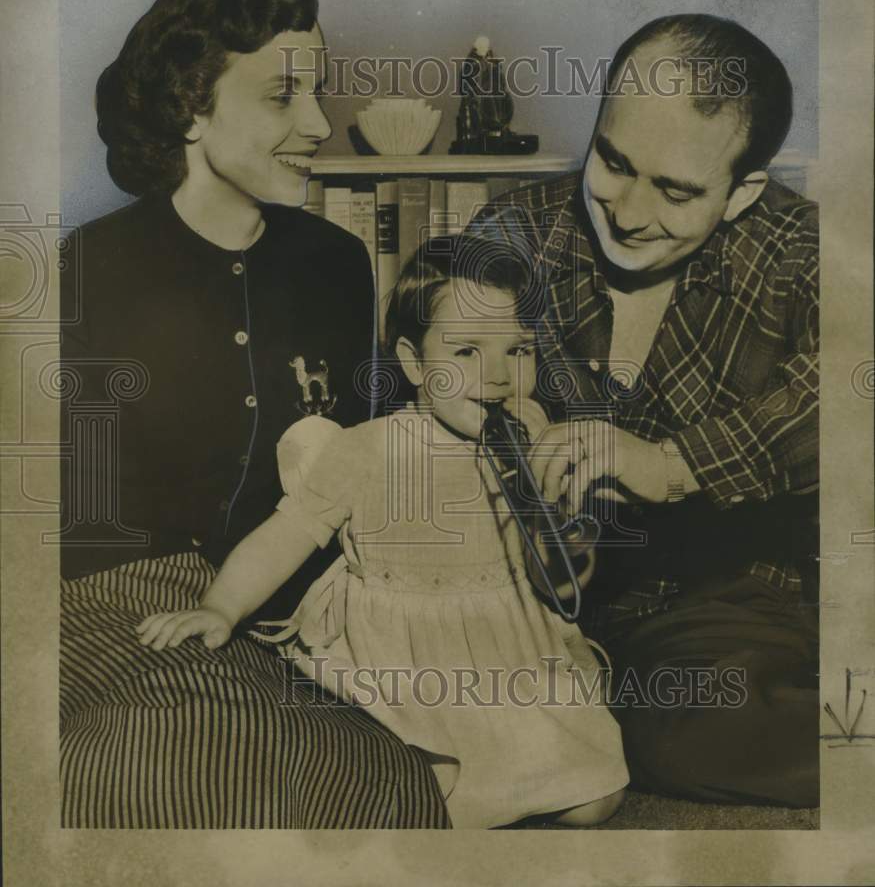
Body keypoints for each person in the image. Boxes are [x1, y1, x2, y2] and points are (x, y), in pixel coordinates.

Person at [59, 0, 448, 828]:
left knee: (392, 777)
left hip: (290, 605)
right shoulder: (82, 271)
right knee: (186, 756)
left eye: (316, 95)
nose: (316, 124)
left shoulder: (337, 265)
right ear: (189, 106)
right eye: (282, 98)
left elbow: (361, 456)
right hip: (108, 605)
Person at [137, 234, 630, 829]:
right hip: (398, 662)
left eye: (519, 351)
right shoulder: (365, 450)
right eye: (467, 352)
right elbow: (285, 534)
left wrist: (564, 520)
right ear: (414, 362)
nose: (498, 376)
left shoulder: (524, 442)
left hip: (504, 650)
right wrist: (220, 607)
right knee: (414, 791)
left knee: (595, 798)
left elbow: (554, 562)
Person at [468, 14, 819, 808]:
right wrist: (509, 452)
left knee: (690, 728)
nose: (626, 213)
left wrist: (668, 466)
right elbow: (434, 395)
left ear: (741, 194)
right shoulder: (510, 236)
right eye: (613, 161)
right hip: (525, 611)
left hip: (723, 605)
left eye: (676, 191)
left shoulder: (803, 255)